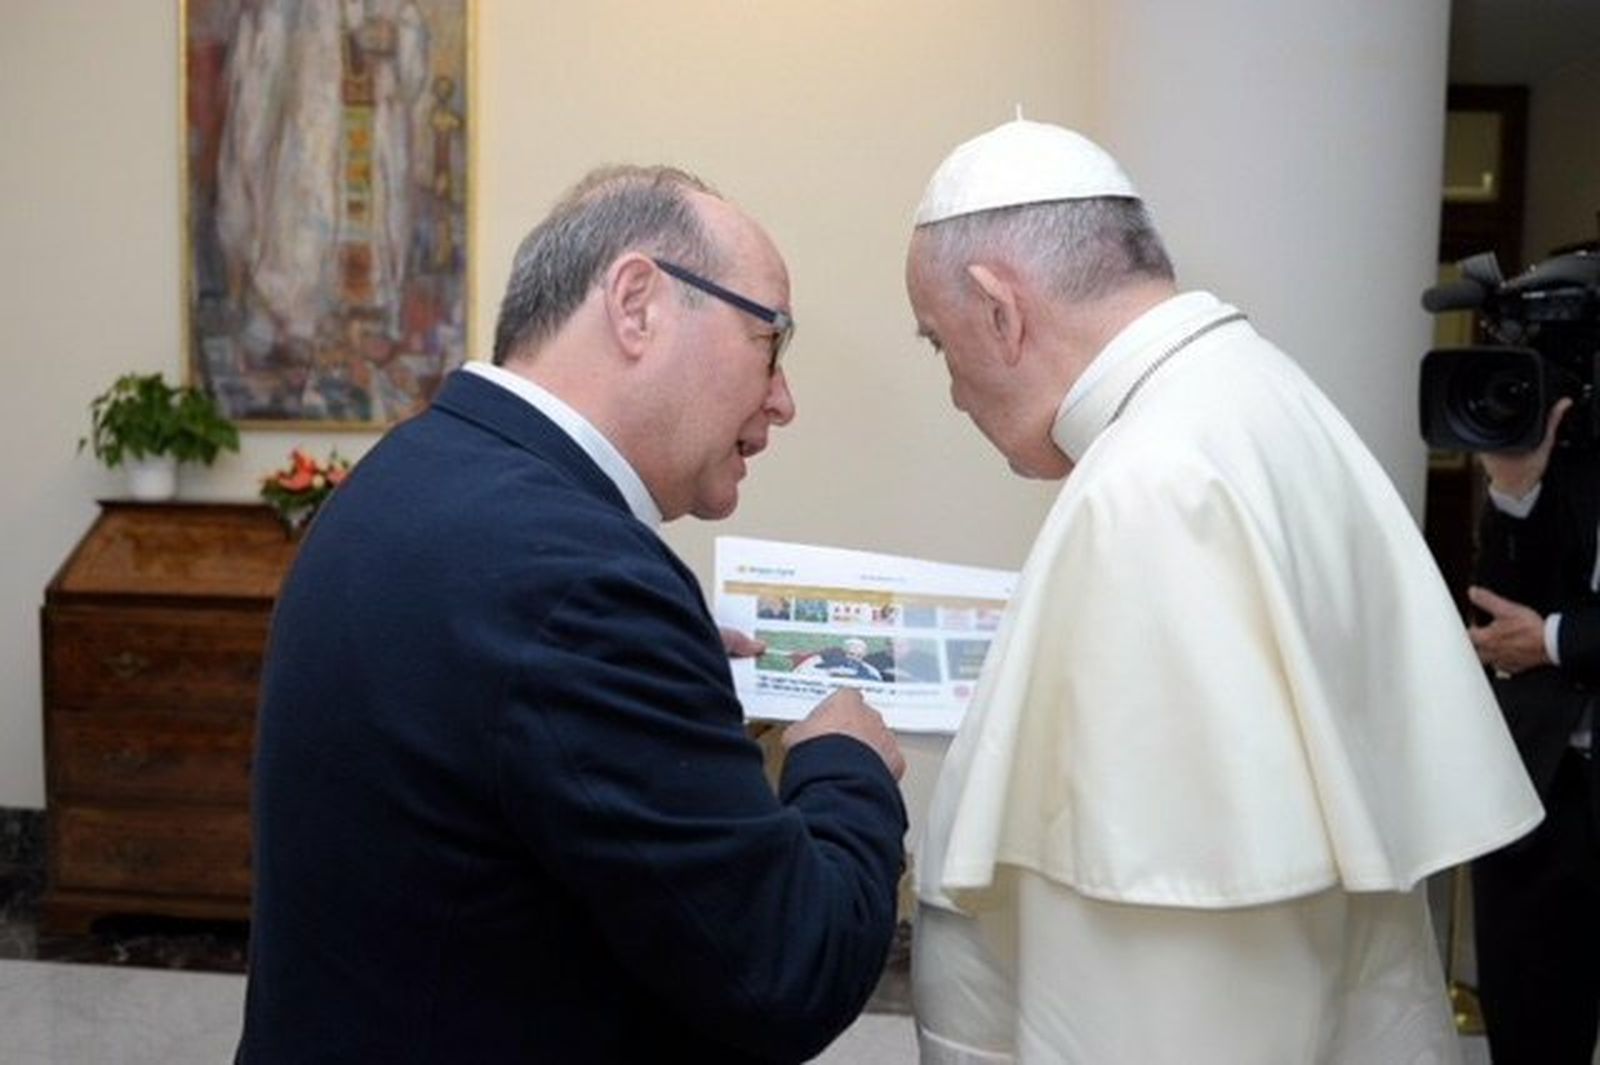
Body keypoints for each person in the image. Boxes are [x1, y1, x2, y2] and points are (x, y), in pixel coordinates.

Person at [902, 118, 1544, 1064]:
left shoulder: (1153, 487)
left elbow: (1169, 983)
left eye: (937, 343)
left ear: (1000, 309)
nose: (954, 390)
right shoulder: (1257, 396)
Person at [237, 165, 908, 1063]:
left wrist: (670, 681)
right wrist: (844, 762)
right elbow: (787, 972)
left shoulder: (415, 470)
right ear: (638, 304)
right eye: (769, 341)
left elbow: (497, 716)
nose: (782, 399)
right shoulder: (581, 584)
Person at [1466, 396, 1600, 1065]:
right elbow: (1499, 608)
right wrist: (1516, 490)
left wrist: (1554, 639)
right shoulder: (1571, 444)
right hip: (1543, 791)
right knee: (1530, 1031)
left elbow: (1537, 631)